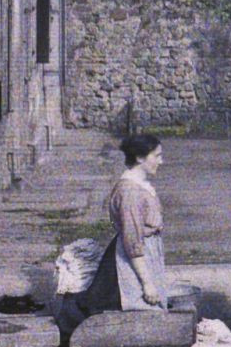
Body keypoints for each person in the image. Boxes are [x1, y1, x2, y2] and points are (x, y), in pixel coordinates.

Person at [66, 134, 173, 331]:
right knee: (138, 306)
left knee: (149, 308)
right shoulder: (130, 192)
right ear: (140, 158)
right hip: (132, 257)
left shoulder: (140, 186)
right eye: (157, 156)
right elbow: (132, 241)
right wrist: (147, 283)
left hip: (145, 252)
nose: (161, 161)